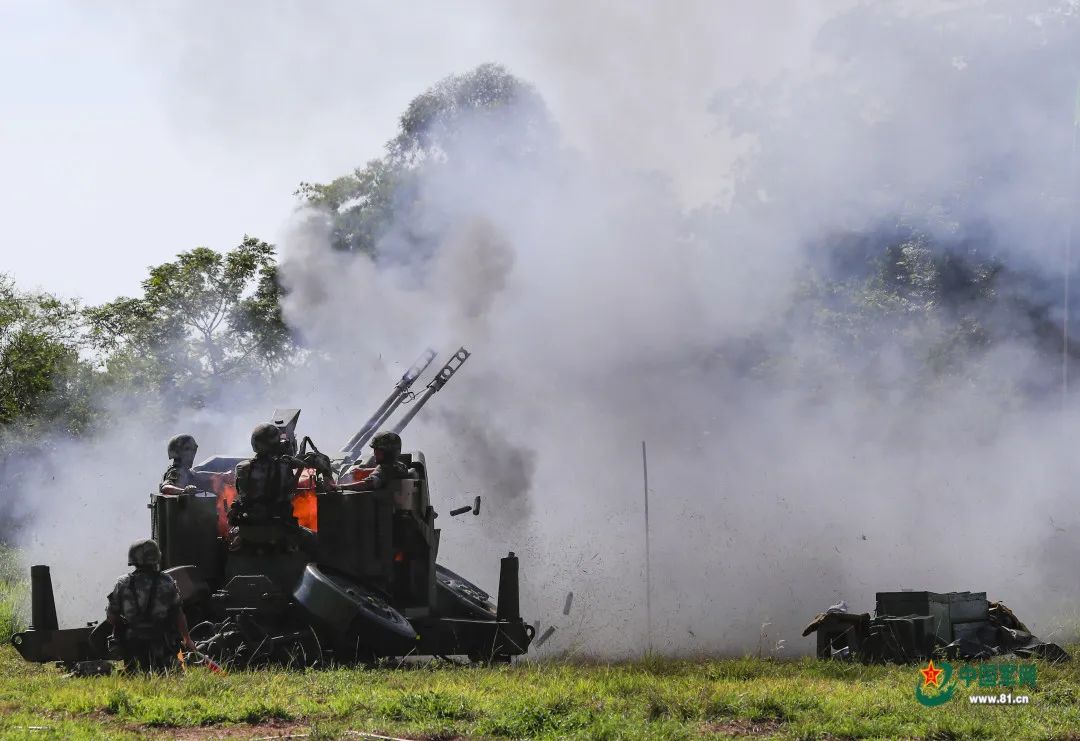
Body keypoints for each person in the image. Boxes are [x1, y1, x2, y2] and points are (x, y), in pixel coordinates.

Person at [106, 539, 196, 673]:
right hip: (163, 642)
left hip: (133, 644)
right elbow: (178, 613)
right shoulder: (167, 581)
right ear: (157, 557)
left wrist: (124, 625)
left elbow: (112, 617)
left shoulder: (122, 583)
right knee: (172, 677)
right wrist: (187, 639)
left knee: (135, 677)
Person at [230, 423, 302, 525]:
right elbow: (290, 492)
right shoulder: (284, 466)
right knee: (311, 537)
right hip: (277, 527)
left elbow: (241, 493)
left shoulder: (241, 467)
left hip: (249, 526)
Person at [334, 431, 413, 492]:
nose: (375, 453)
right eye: (375, 450)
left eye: (379, 451)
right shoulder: (400, 466)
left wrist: (340, 487)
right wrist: (364, 471)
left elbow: (368, 483)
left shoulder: (385, 470)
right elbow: (381, 472)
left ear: (389, 453)